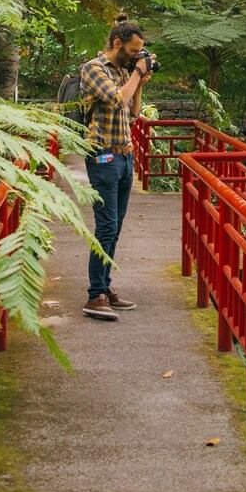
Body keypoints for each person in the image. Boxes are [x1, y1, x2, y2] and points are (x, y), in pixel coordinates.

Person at [79, 20, 156, 321]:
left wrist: (141, 81)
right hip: (102, 156)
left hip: (125, 157)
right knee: (106, 226)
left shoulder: (125, 72)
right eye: (133, 51)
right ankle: (94, 295)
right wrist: (137, 72)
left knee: (116, 226)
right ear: (116, 43)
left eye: (140, 52)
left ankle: (105, 286)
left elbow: (133, 112)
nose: (137, 56)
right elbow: (115, 99)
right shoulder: (93, 68)